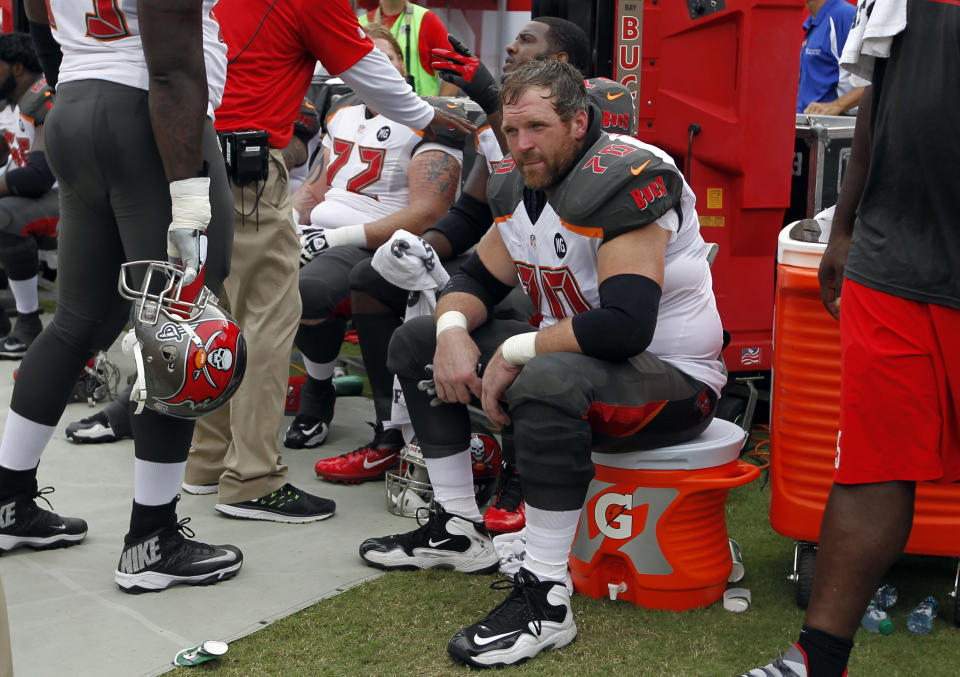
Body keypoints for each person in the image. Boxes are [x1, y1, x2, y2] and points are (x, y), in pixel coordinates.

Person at [359, 60, 725, 667]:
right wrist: (452, 330)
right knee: (418, 340)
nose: (521, 144)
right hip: (597, 362)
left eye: (536, 127)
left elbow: (625, 325)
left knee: (547, 375)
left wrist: (516, 349)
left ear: (579, 122)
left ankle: (548, 595)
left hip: (675, 378)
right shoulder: (524, 180)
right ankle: (459, 529)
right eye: (511, 130)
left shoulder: (624, 176)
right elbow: (475, 275)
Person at [180, 0, 473, 523]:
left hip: (193, 155)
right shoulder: (345, 102)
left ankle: (207, 459)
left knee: (212, 312)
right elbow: (364, 72)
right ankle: (251, 478)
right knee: (266, 318)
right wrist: (435, 117)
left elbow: (425, 205)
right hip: (246, 163)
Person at [743, 1, 960, 675]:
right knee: (872, 463)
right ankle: (817, 659)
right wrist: (844, 227)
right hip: (893, 258)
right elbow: (879, 95)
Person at [0, 0, 243, 593]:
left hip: (80, 106)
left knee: (77, 318)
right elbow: (172, 70)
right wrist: (189, 201)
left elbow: (36, 14)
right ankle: (152, 539)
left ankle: (7, 501)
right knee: (178, 327)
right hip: (149, 117)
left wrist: (74, 83)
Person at [284, 24, 464, 466]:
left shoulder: (429, 117)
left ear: (402, 68)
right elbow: (316, 188)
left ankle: (317, 391)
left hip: (378, 242)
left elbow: (429, 212)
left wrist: (334, 236)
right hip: (320, 235)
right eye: (363, 58)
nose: (373, 66)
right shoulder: (342, 112)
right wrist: (286, 221)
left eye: (384, 57)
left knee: (306, 292)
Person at [0, 33, 58, 359]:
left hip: (67, 201)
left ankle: (28, 323)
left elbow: (39, 175)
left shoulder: (45, 97)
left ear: (17, 67)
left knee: (5, 214)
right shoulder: (12, 104)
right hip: (34, 199)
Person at [358, 1, 458, 97]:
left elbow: (454, 69)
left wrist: (440, 108)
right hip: (369, 111)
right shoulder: (359, 24)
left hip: (421, 111)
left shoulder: (426, 19)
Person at [798, 0, 864, 115]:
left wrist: (837, 105)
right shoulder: (812, 19)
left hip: (833, 127)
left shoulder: (845, 15)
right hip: (806, 124)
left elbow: (875, 80)